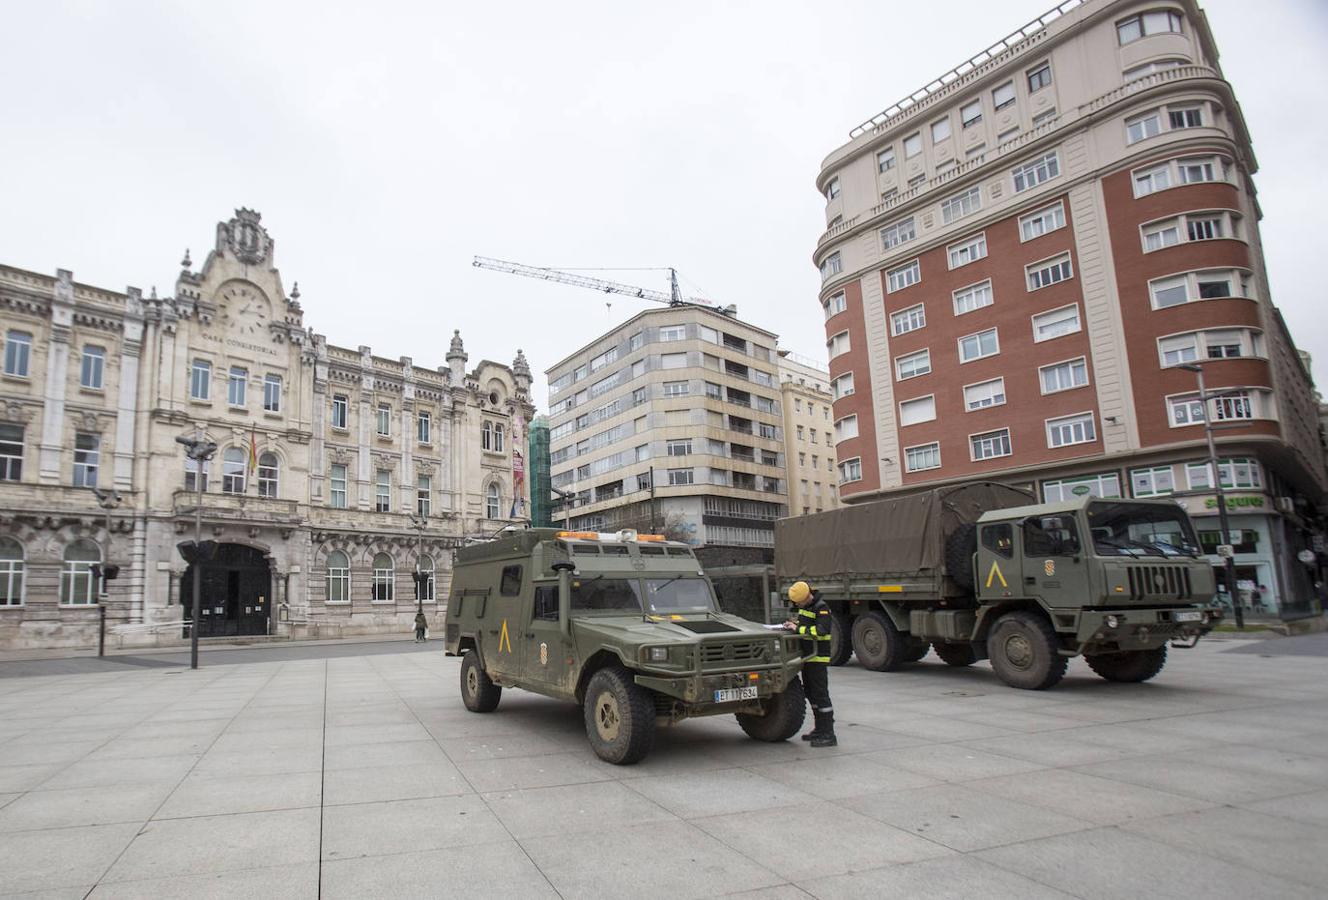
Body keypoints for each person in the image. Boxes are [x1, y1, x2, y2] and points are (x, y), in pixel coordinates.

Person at [784, 580, 836, 747]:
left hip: (818, 657)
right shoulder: (806, 607)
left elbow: (821, 631)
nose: (797, 604)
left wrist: (798, 629)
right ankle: (819, 730)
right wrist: (795, 624)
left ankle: (828, 734)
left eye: (798, 602)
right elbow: (807, 624)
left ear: (806, 597)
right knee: (811, 694)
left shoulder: (821, 608)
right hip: (807, 657)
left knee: (820, 695)